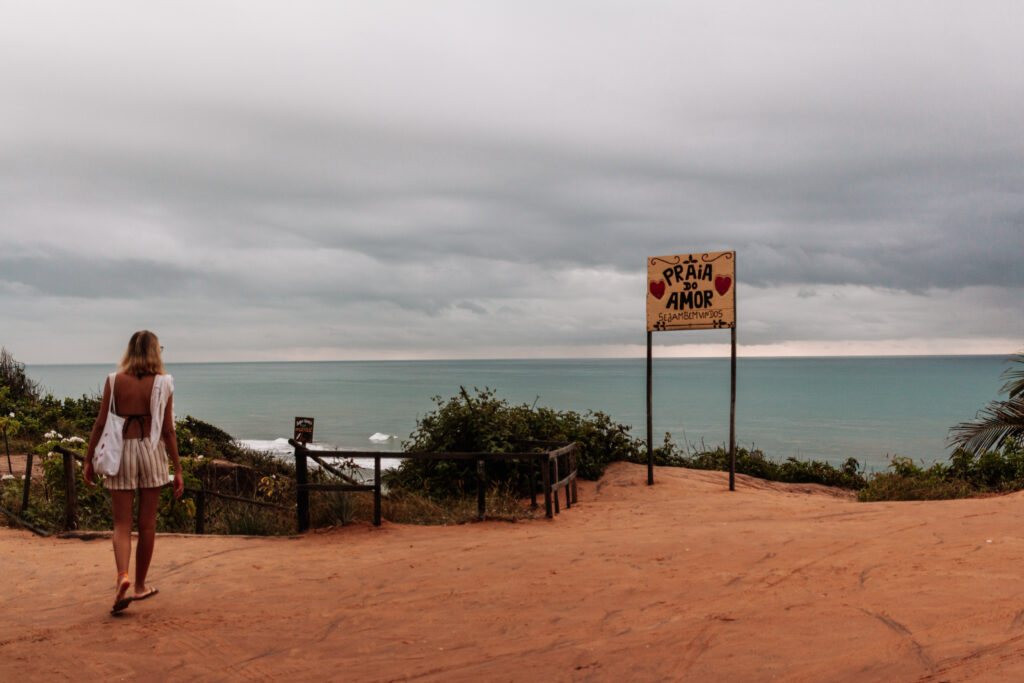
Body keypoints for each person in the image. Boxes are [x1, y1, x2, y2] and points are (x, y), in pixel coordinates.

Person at [84, 330, 184, 614]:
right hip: (151, 452)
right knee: (147, 524)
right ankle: (139, 585)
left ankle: (122, 576)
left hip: (121, 453)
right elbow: (167, 431)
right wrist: (177, 469)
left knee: (121, 525)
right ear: (155, 352)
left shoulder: (114, 381)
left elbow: (101, 423)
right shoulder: (164, 383)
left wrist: (88, 459)